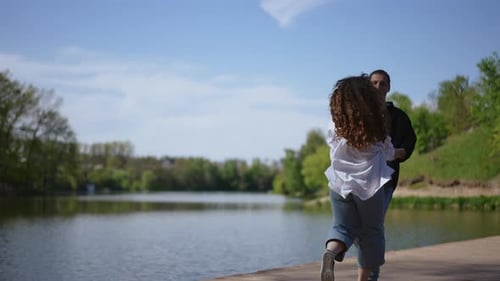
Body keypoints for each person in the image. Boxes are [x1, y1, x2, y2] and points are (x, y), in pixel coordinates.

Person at [320, 74, 396, 281]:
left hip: (338, 183)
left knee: (341, 227)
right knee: (371, 232)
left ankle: (330, 253)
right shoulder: (375, 123)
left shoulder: (335, 124)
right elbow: (388, 152)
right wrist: (396, 153)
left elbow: (331, 143)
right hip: (369, 187)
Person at [366, 69, 417, 281]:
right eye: (374, 83)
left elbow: (409, 140)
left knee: (375, 226)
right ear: (369, 86)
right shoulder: (360, 113)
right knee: (361, 228)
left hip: (386, 180)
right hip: (359, 178)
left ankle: (370, 276)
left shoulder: (399, 117)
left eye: (383, 83)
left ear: (389, 88)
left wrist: (400, 152)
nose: (378, 87)